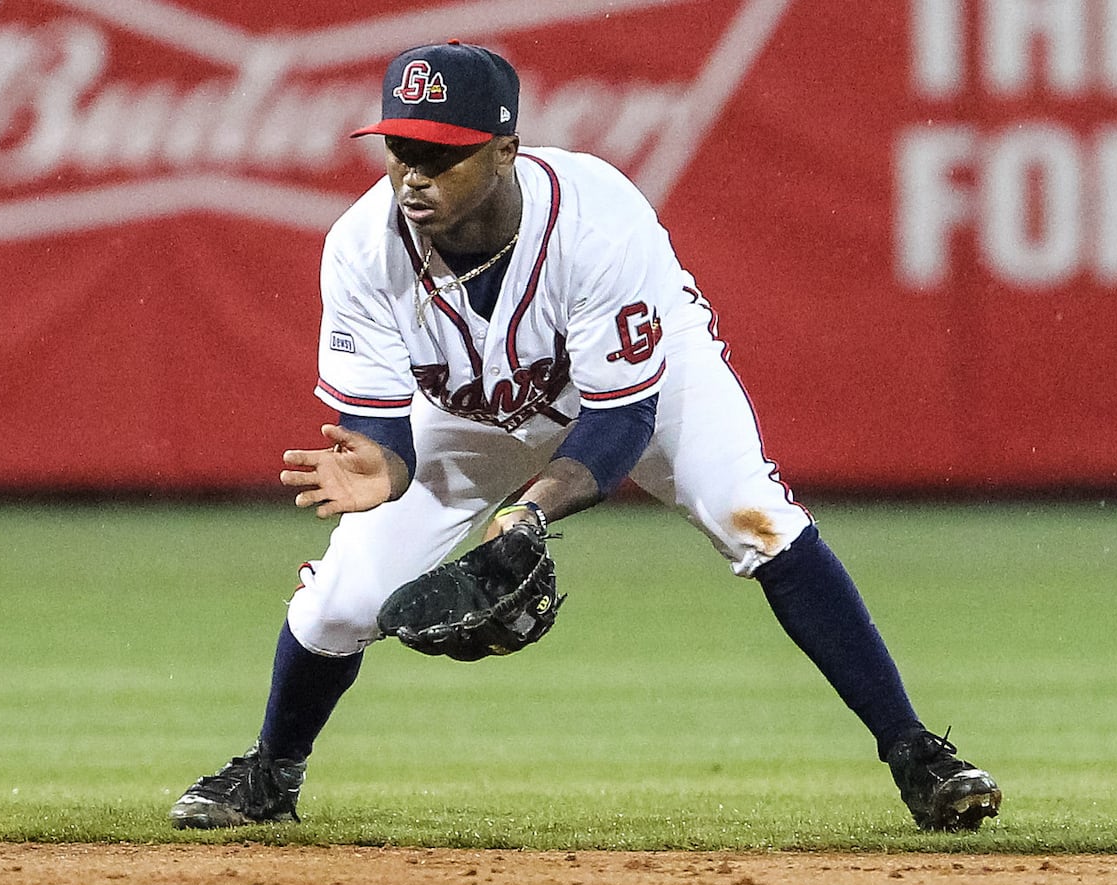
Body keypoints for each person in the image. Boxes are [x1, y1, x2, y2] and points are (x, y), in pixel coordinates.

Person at [170, 41, 1001, 833]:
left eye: (441, 154)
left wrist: (527, 515)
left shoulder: (595, 217)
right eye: (400, 149)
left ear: (505, 150)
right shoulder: (360, 247)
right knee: (340, 602)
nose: (413, 175)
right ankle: (271, 776)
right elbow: (383, 421)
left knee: (756, 518)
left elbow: (621, 419)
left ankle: (915, 754)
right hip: (472, 416)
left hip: (638, 387)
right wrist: (384, 469)